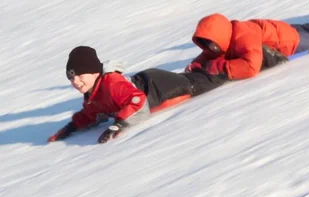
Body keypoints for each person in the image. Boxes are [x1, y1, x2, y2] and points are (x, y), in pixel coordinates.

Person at [48, 46, 226, 144]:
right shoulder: (92, 94)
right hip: (147, 81)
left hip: (158, 87)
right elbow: (91, 113)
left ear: (94, 73)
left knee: (200, 83)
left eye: (80, 75)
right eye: (71, 78)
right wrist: (71, 127)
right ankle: (215, 60)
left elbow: (139, 102)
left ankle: (231, 65)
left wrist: (119, 125)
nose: (76, 82)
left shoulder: (111, 84)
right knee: (196, 77)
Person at [185, 13, 301, 79]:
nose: (211, 47)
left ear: (220, 36)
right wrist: (195, 65)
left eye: (211, 42)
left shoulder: (243, 37)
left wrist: (221, 67)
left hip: (292, 41)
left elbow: (251, 67)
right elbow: (208, 55)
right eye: (207, 43)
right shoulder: (223, 40)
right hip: (279, 29)